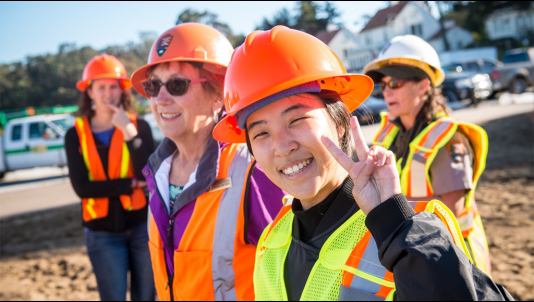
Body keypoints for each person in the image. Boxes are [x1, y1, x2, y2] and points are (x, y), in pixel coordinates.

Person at [213, 26, 513, 301]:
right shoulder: (271, 240)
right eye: (261, 133)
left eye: (297, 119)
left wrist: (401, 229)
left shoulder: (409, 236)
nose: (282, 147)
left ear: (341, 125)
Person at [130, 23, 285, 301]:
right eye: (152, 86)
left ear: (218, 94)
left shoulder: (253, 171)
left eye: (177, 85)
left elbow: (290, 273)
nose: (160, 99)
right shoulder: (158, 173)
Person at [364, 35, 492, 276]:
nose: (387, 92)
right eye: (384, 85)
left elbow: (450, 212)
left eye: (396, 84)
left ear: (423, 85)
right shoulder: (389, 135)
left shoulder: (449, 139)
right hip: (412, 251)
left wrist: (389, 211)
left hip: (453, 261)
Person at [65, 54, 155, 301]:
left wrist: (128, 132)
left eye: (113, 86)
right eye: (101, 87)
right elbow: (83, 188)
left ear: (122, 91)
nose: (108, 93)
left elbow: (149, 176)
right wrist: (131, 185)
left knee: (146, 296)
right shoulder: (75, 135)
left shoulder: (140, 126)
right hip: (101, 233)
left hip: (141, 227)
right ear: (90, 92)